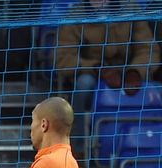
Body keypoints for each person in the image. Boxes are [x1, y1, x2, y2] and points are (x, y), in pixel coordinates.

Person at [54, 0, 159, 151]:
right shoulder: (75, 14)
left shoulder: (131, 8)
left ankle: (152, 145)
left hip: (128, 71)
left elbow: (148, 49)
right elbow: (63, 58)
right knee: (83, 85)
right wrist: (98, 68)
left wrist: (136, 71)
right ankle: (78, 148)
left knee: (156, 90)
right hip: (91, 72)